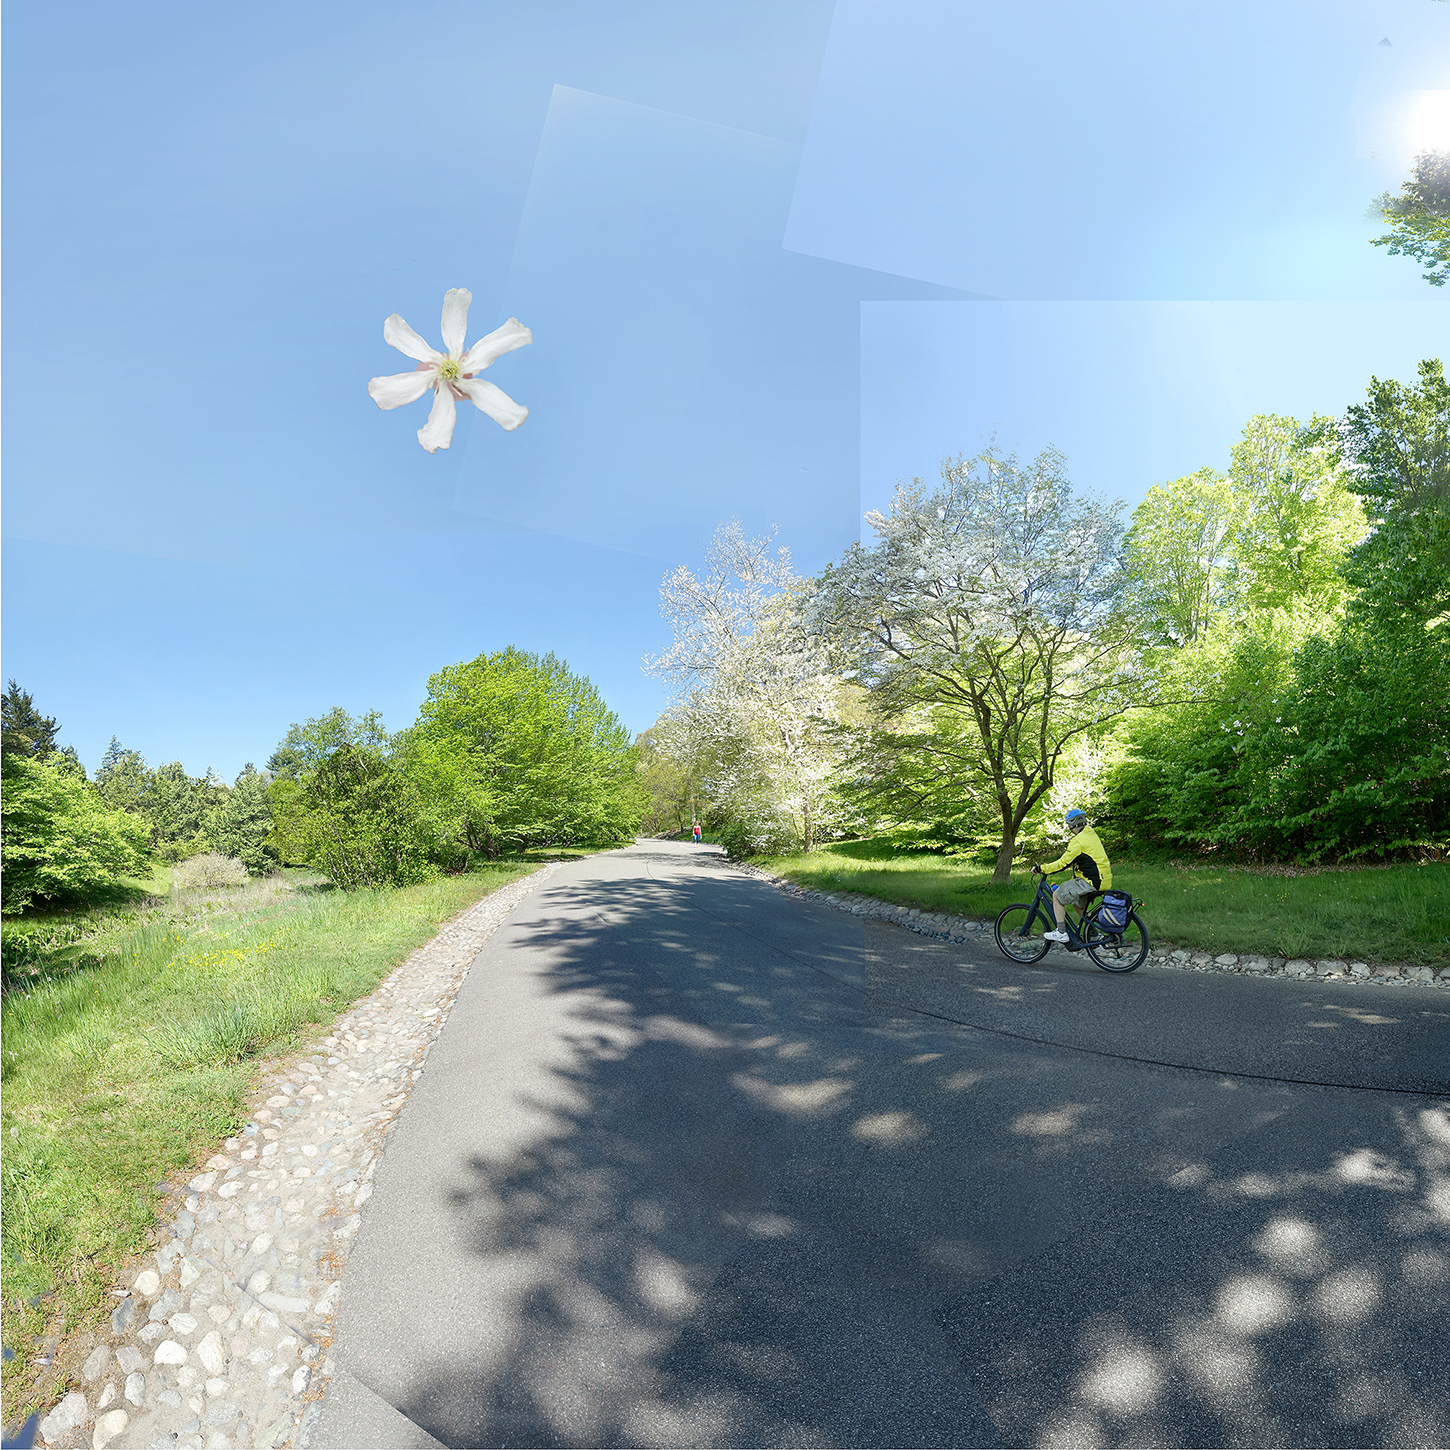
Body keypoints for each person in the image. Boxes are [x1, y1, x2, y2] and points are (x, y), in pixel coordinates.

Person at [1035, 809, 1111, 943]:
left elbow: (1062, 864)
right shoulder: (1091, 834)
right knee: (1078, 905)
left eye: (1068, 825)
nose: (1068, 828)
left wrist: (1041, 868)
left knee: (1057, 895)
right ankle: (1093, 934)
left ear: (1073, 825)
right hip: (1103, 881)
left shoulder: (1078, 841)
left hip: (1091, 881)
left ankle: (1061, 932)